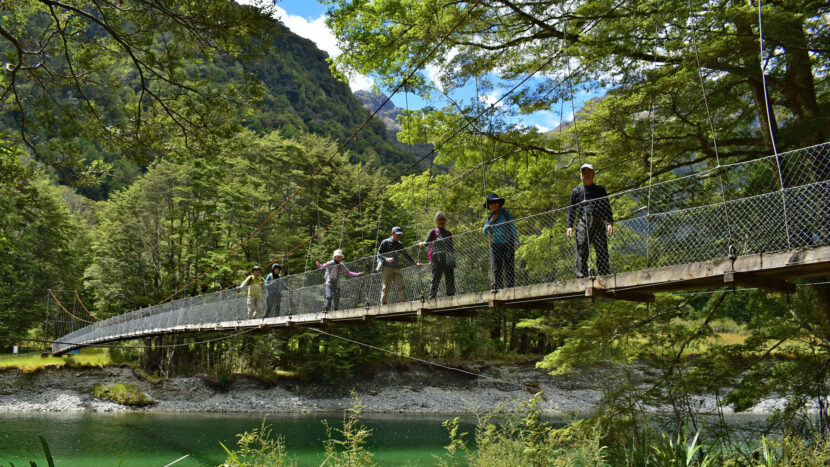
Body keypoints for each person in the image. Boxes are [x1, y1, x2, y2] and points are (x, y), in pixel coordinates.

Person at [566, 163, 614, 277]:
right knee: (581, 250)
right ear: (581, 175)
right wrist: (570, 226)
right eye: (584, 173)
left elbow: (606, 207)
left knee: (602, 250)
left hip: (598, 222)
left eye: (589, 172)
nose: (587, 175)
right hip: (583, 223)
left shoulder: (600, 190)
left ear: (593, 174)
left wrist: (609, 223)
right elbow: (572, 209)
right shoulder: (576, 192)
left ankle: (604, 274)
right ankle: (581, 276)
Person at [482, 193, 520, 289]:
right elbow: (484, 231)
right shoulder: (489, 217)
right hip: (496, 245)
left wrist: (516, 240)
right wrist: (491, 222)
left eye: (495, 202)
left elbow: (512, 226)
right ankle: (498, 287)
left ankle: (510, 287)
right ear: (489, 206)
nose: (493, 204)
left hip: (508, 243)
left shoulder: (506, 214)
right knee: (496, 267)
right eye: (490, 203)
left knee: (509, 266)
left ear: (499, 203)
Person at [419, 211, 456, 299]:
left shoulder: (448, 233)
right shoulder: (433, 232)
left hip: (448, 257)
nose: (441, 221)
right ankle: (432, 296)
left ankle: (450, 295)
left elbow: (451, 246)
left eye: (443, 219)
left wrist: (454, 258)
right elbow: (427, 242)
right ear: (436, 221)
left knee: (450, 276)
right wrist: (423, 243)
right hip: (436, 258)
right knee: (436, 277)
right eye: (439, 220)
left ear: (445, 221)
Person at [377, 226, 419, 305]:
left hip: (397, 267)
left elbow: (405, 254)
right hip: (387, 267)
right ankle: (383, 304)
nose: (399, 236)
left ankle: (404, 303)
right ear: (392, 233)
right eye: (397, 234)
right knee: (385, 287)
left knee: (401, 286)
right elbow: (379, 254)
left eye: (400, 235)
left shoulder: (400, 244)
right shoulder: (385, 242)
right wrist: (386, 259)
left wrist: (414, 263)